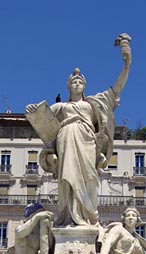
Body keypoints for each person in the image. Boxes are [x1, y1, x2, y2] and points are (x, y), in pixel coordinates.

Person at [26, 34, 132, 227]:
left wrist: (126, 64)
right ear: (68, 86)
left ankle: (88, 216)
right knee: (67, 177)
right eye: (73, 82)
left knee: (90, 177)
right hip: (66, 137)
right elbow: (43, 116)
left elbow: (117, 88)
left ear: (84, 86)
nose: (77, 84)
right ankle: (68, 217)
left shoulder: (93, 103)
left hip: (87, 141)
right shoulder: (62, 107)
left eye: (80, 82)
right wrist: (33, 110)